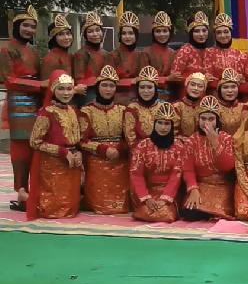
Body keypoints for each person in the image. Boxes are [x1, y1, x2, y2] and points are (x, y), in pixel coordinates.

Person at [0, 6, 41, 211]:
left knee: (36, 147)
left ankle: (36, 192)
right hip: (18, 102)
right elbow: (8, 80)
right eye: (25, 25)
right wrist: (39, 85)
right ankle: (22, 191)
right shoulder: (6, 49)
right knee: (20, 150)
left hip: (36, 102)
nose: (29, 30)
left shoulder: (34, 51)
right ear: (16, 26)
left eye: (33, 26)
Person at [27, 70, 82, 220]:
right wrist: (62, 152)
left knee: (71, 207)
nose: (66, 93)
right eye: (61, 89)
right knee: (54, 209)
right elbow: (35, 142)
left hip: (71, 163)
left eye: (69, 89)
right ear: (53, 90)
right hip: (53, 164)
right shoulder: (46, 113)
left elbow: (75, 138)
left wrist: (78, 152)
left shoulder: (72, 110)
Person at [78, 65, 129, 214]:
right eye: (104, 85)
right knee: (100, 206)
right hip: (96, 158)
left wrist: (119, 149)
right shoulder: (87, 111)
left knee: (123, 205)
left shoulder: (123, 110)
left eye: (111, 86)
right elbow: (81, 140)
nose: (108, 89)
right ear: (97, 87)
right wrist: (102, 149)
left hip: (119, 158)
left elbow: (129, 137)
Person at [182, 96, 236, 221]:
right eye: (203, 118)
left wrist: (215, 143)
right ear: (198, 119)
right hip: (201, 186)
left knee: (217, 212)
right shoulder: (192, 141)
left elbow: (228, 167)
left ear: (217, 120)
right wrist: (193, 189)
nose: (207, 122)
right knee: (189, 212)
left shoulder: (226, 138)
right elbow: (188, 170)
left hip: (222, 186)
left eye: (211, 119)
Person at [130, 102, 184, 223]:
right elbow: (136, 174)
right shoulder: (143, 145)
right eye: (160, 123)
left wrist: (165, 199)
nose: (163, 127)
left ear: (172, 126)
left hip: (171, 194)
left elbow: (177, 175)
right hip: (147, 192)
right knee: (145, 212)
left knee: (165, 214)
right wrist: (146, 198)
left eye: (167, 124)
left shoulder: (179, 146)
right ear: (154, 124)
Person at [110, 11, 149, 105]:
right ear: (120, 36)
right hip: (116, 100)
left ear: (136, 35)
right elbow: (109, 82)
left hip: (139, 99)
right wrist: (132, 81)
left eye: (131, 33)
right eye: (124, 33)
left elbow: (146, 79)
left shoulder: (142, 55)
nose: (127, 37)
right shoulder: (112, 55)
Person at [73, 12, 112, 104]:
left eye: (97, 30)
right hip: (88, 94)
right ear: (85, 35)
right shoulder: (80, 54)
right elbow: (79, 80)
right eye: (90, 31)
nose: (95, 34)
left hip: (106, 91)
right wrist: (98, 80)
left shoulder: (106, 54)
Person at [123, 66, 160, 149]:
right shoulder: (132, 109)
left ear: (155, 89)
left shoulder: (163, 107)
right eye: (142, 87)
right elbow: (131, 140)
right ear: (137, 89)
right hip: (140, 152)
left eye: (149, 87)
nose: (146, 91)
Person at [204, 13, 246, 85]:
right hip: (214, 91)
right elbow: (207, 79)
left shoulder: (239, 54)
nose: (223, 35)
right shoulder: (208, 53)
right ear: (215, 35)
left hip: (234, 90)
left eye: (226, 32)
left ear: (231, 33)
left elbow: (243, 78)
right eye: (219, 32)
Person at [170, 11, 211, 82]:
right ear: (191, 33)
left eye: (204, 30)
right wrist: (202, 79)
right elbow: (174, 78)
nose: (201, 34)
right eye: (197, 31)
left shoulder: (210, 52)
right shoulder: (185, 51)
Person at [145, 11, 176, 102]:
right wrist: (167, 79)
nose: (162, 34)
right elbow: (144, 78)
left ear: (170, 32)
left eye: (165, 31)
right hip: (150, 97)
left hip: (171, 97)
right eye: (158, 31)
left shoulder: (174, 53)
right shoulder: (146, 53)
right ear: (153, 33)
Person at [173, 72, 207, 137]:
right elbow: (173, 131)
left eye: (200, 86)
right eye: (193, 85)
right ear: (186, 86)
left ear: (204, 90)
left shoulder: (205, 108)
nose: (196, 88)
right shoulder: (177, 106)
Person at [216, 68, 245, 136]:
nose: (230, 91)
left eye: (233, 87)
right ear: (219, 90)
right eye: (225, 87)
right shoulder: (214, 108)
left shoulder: (245, 107)